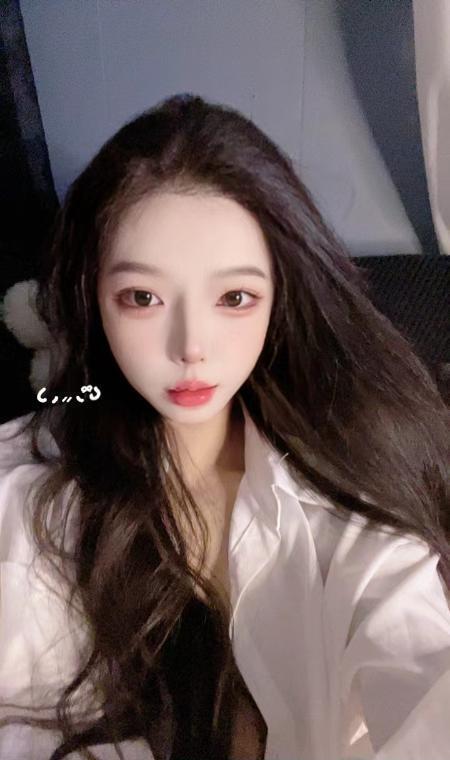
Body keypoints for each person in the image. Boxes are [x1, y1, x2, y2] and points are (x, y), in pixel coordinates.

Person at [0, 93, 449, 760]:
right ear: (93, 296)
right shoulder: (21, 493)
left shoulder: (349, 493)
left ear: (282, 296)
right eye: (143, 298)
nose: (191, 347)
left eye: (235, 297)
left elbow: (417, 656)